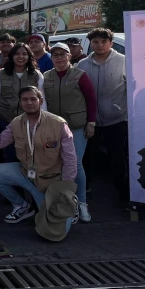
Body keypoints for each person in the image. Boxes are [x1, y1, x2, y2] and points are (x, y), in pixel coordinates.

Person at [0, 86, 78, 236]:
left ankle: (71, 203)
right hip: (27, 174)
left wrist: (64, 190)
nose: (29, 103)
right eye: (25, 99)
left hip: (50, 182)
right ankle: (21, 205)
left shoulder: (58, 124)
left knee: (57, 232)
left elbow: (70, 159)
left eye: (33, 99)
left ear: (41, 101)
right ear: (20, 102)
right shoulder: (16, 122)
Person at [43, 43, 96, 222]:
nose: (59, 57)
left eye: (62, 54)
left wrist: (91, 123)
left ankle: (82, 202)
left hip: (76, 127)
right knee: (56, 163)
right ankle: (64, 200)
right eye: (55, 55)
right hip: (54, 128)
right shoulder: (46, 76)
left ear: (69, 56)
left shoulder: (79, 75)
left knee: (75, 164)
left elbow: (91, 99)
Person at [76, 28, 129, 204]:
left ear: (111, 43)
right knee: (88, 157)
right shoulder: (82, 64)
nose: (100, 45)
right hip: (90, 121)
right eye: (96, 42)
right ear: (90, 44)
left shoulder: (124, 61)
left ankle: (124, 194)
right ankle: (85, 189)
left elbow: (132, 89)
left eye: (104, 41)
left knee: (117, 158)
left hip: (117, 120)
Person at [0, 43, 44, 126]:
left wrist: (42, 120)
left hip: (29, 119)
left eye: (24, 54)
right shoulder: (1, 74)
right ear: (12, 56)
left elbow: (42, 100)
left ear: (29, 56)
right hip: (4, 119)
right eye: (17, 54)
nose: (21, 57)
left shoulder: (37, 75)